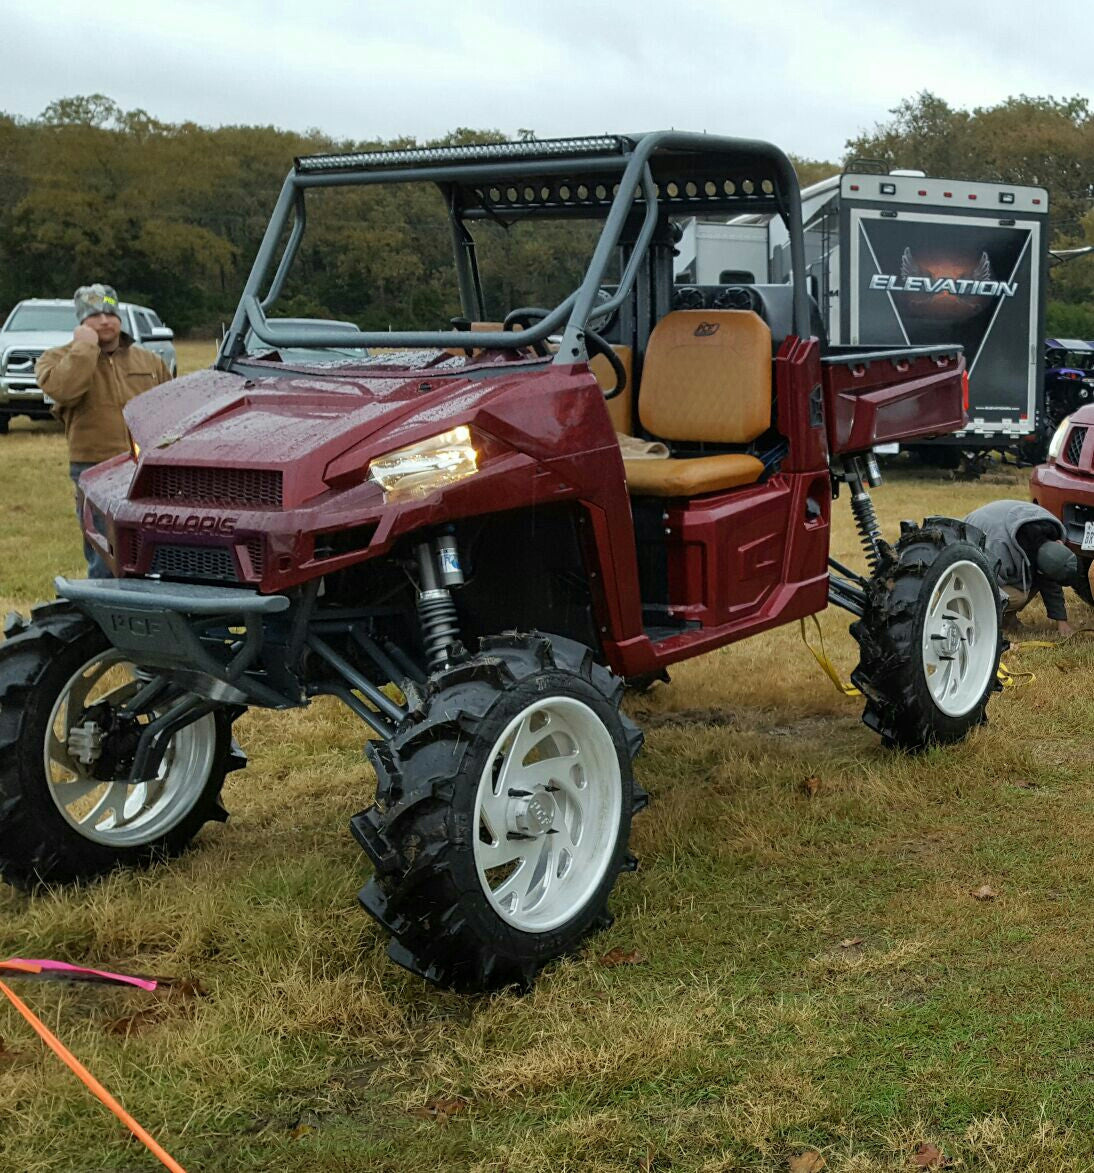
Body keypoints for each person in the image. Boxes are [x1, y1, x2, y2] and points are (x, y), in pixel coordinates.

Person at [35, 284, 171, 578]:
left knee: (154, 547)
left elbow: (171, 412)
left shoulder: (150, 362)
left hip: (145, 467)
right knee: (104, 552)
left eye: (110, 312)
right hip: (94, 466)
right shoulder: (54, 360)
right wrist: (85, 348)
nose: (105, 320)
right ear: (81, 322)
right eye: (94, 315)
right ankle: (104, 612)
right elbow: (65, 390)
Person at [964, 500, 1083, 636]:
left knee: (1033, 581)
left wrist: (1062, 621)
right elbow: (986, 587)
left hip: (998, 527)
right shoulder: (1000, 551)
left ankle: (1008, 618)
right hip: (970, 556)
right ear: (1059, 543)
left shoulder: (1048, 529)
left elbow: (1049, 579)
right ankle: (997, 621)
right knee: (1019, 596)